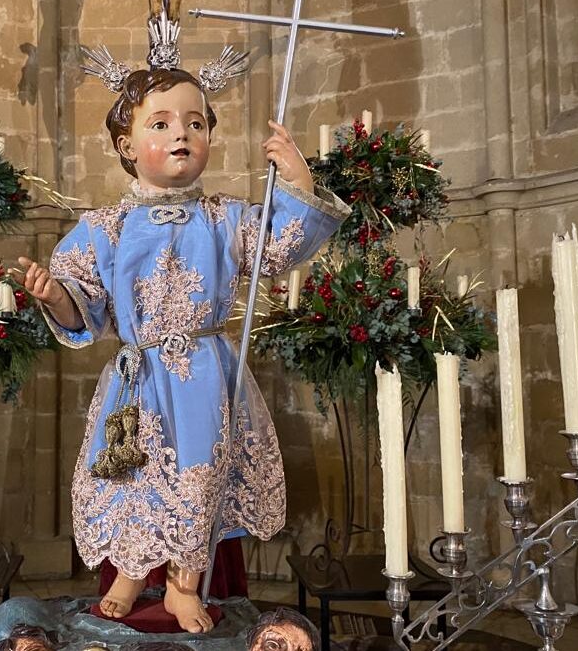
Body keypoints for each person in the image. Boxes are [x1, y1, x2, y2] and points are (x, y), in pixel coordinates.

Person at [17, 67, 349, 634]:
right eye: (162, 123)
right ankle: (128, 572)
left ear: (210, 140)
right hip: (137, 374)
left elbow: (278, 247)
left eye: (196, 124)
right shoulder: (106, 226)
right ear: (126, 145)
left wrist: (296, 180)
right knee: (127, 473)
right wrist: (56, 297)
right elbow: (85, 306)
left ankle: (182, 584)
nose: (182, 135)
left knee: (200, 473)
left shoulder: (226, 218)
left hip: (202, 374)